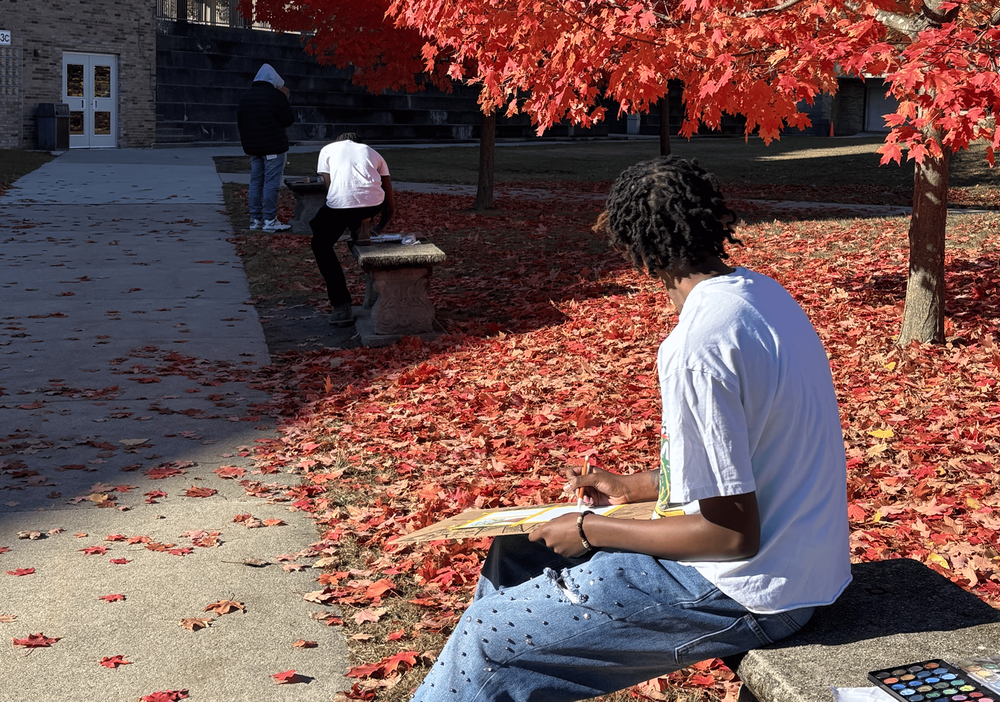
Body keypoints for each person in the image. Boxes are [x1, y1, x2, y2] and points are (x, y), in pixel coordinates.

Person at [409, 156, 851, 702]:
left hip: (748, 592)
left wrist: (592, 527)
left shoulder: (697, 346)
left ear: (641, 253)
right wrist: (634, 487)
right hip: (804, 566)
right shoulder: (764, 297)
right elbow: (753, 460)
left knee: (487, 637)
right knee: (516, 554)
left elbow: (732, 533)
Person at [310, 132, 395, 327]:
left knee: (320, 244)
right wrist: (379, 227)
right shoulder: (373, 153)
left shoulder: (328, 150)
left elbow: (331, 190)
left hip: (340, 205)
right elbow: (390, 205)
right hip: (374, 204)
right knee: (353, 213)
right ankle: (361, 225)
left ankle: (342, 307)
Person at [237, 63, 294, 232]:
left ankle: (255, 219)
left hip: (253, 146)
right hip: (273, 147)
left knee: (255, 182)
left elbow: (241, 121)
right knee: (271, 183)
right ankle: (270, 219)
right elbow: (288, 120)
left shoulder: (245, 96)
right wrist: (285, 98)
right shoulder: (276, 96)